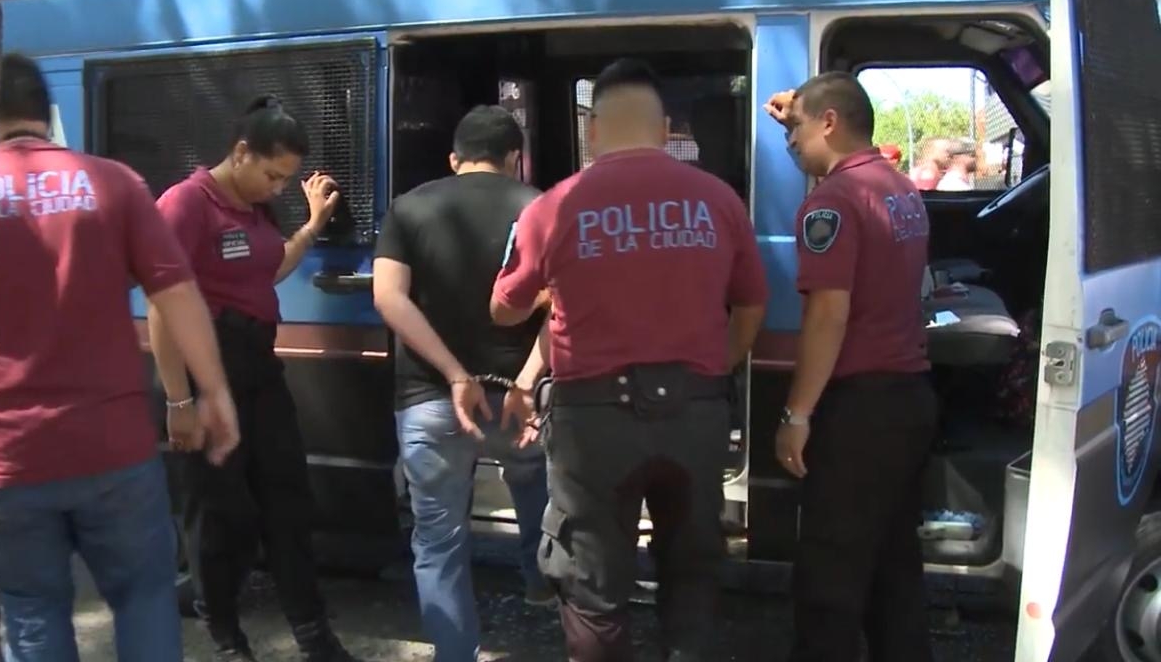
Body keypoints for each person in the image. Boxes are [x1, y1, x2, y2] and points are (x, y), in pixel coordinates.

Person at [490, 58, 768, 662]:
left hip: (595, 424)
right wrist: (715, 365)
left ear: (592, 129)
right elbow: (752, 304)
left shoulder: (553, 207)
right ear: (666, 127)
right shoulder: (718, 200)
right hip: (696, 412)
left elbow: (504, 310)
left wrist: (556, 284)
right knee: (692, 566)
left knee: (592, 580)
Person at [0, 52, 239, 662]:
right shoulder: (113, 182)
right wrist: (213, 394)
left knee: (32, 613)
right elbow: (176, 293)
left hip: (8, 457)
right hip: (114, 449)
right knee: (144, 598)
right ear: (46, 113)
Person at [148, 96, 359, 662]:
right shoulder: (186, 205)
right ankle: (225, 636)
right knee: (221, 516)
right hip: (204, 365)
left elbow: (267, 267)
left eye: (286, 180)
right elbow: (163, 308)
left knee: (288, 503)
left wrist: (312, 225)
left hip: (259, 368)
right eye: (271, 174)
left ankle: (314, 634)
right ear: (241, 153)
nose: (276, 187)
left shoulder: (256, 209)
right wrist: (178, 400)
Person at [764, 72, 938, 662]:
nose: (790, 141)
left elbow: (827, 317)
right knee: (893, 568)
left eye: (798, 130)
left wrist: (797, 413)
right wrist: (799, 107)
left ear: (830, 123)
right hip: (907, 397)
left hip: (858, 407)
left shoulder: (832, 202)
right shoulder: (897, 185)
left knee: (829, 579)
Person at [372, 105, 554, 662]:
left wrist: (453, 373)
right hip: (516, 399)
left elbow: (387, 298)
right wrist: (525, 382)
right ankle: (538, 578)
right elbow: (565, 306)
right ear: (514, 160)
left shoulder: (409, 208)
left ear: (454, 159)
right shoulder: (544, 208)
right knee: (536, 489)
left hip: (431, 400)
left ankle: (455, 653)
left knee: (438, 543)